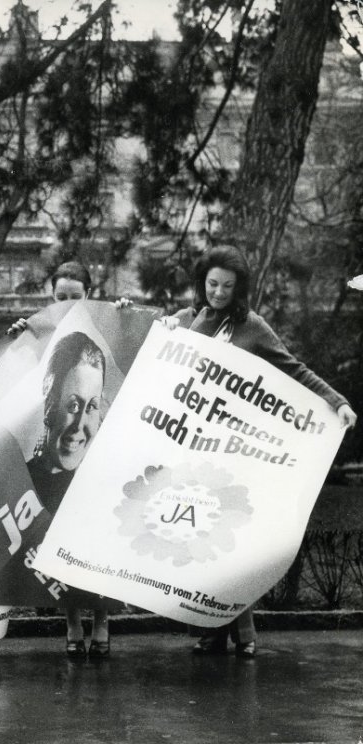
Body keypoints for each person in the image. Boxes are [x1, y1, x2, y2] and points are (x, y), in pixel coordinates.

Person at [164, 245, 357, 658]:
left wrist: (336, 400)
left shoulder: (252, 326)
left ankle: (245, 631)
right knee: (200, 542)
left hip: (234, 450)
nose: (218, 293)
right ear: (201, 283)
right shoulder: (182, 322)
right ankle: (212, 630)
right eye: (212, 284)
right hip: (186, 446)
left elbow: (293, 368)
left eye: (227, 287)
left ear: (240, 289)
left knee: (232, 543)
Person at [7, 261, 114, 659]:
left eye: (76, 296)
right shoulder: (40, 334)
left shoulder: (107, 328)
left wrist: (126, 315)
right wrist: (20, 340)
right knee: (62, 548)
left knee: (97, 549)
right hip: (52, 475)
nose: (68, 303)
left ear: (89, 296)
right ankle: (72, 622)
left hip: (94, 470)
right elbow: (9, 381)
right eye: (61, 296)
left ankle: (102, 621)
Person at [27, 330, 112, 659]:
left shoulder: (101, 476)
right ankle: (73, 623)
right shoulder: (24, 479)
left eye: (90, 407)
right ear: (49, 402)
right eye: (72, 405)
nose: (79, 425)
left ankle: (102, 623)